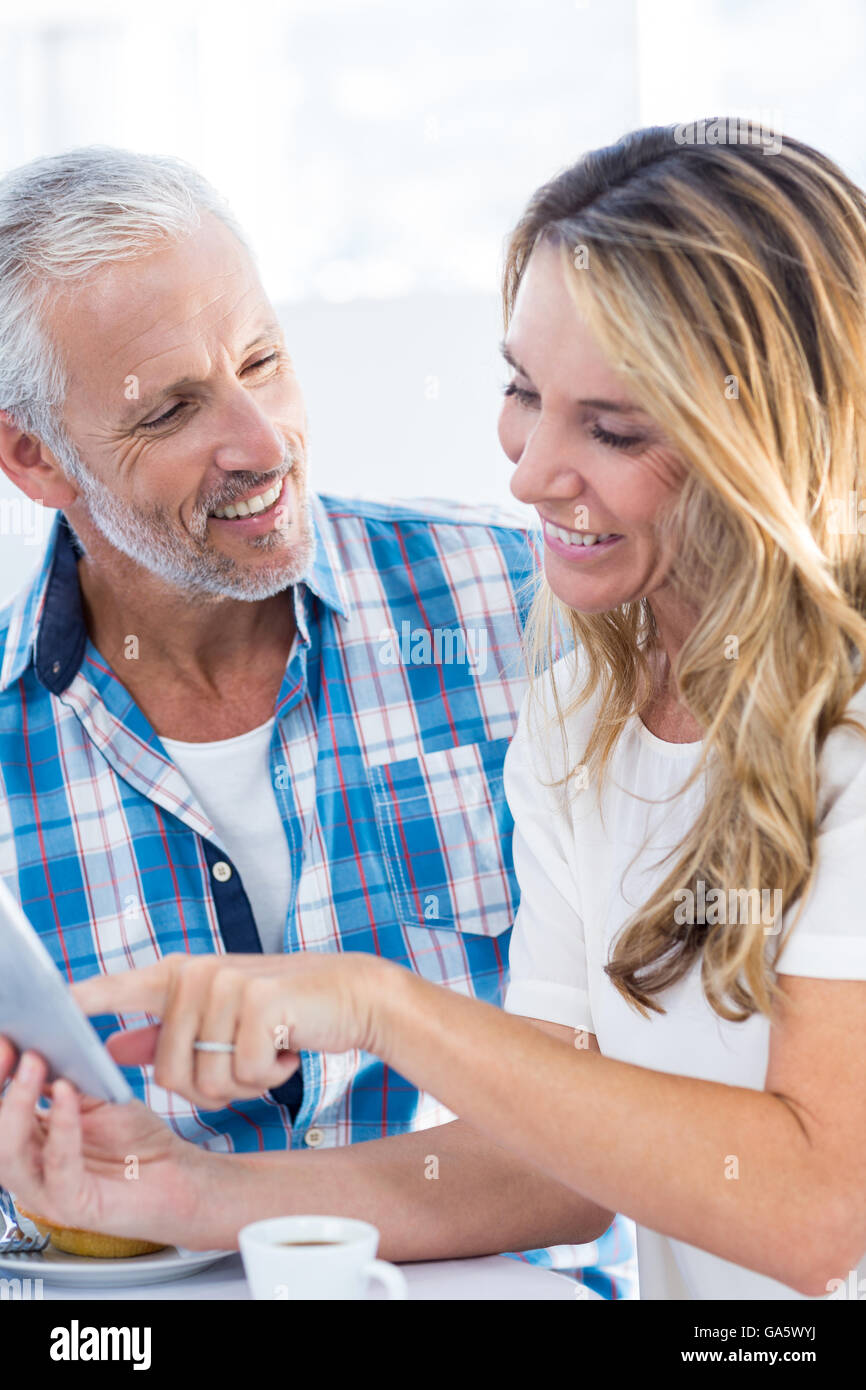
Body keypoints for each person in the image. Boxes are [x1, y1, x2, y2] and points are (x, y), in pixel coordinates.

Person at [7, 117, 866, 1300]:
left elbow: (817, 1208)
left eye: (611, 426)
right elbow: (574, 1122)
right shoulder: (588, 694)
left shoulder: (539, 624)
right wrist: (174, 1193)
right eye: (519, 390)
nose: (522, 474)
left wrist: (371, 1003)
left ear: (753, 431)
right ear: (34, 459)